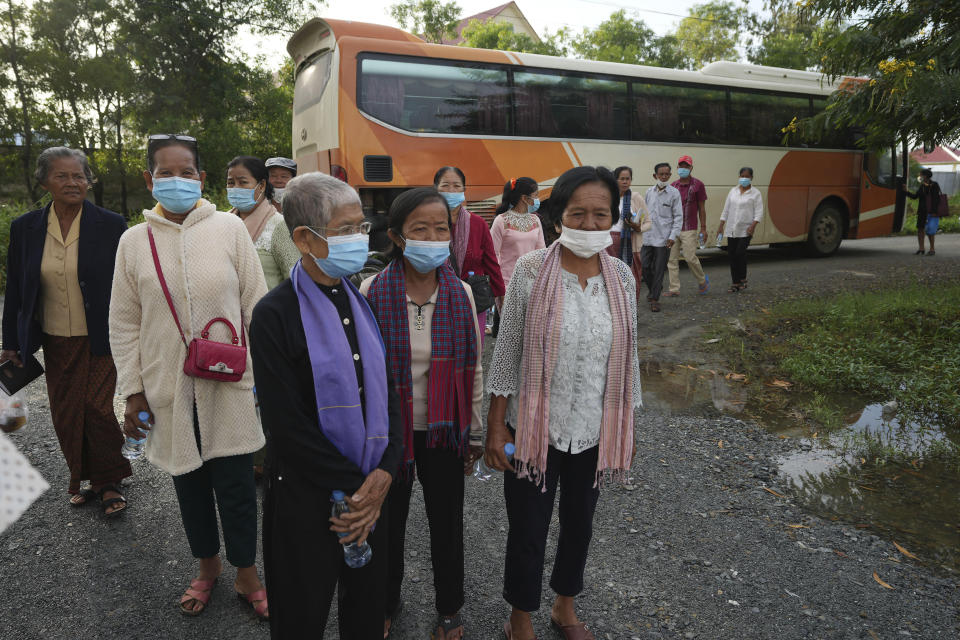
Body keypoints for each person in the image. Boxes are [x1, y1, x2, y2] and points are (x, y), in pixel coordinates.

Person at [109, 134, 269, 619]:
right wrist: (131, 391)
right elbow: (124, 320)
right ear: (149, 178)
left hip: (230, 386)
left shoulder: (228, 229)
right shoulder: (133, 242)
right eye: (165, 172)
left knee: (238, 485)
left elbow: (256, 306)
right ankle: (207, 567)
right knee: (189, 484)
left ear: (201, 178)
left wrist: (264, 380)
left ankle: (247, 572)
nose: (176, 180)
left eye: (186, 172)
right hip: (168, 387)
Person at [486, 166, 641, 640]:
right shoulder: (531, 272)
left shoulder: (620, 276)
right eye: (579, 213)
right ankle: (520, 617)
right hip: (535, 430)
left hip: (593, 430)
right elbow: (507, 351)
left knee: (580, 525)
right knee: (528, 531)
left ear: (613, 218)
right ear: (558, 218)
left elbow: (629, 354)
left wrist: (626, 426)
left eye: (601, 215)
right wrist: (496, 428)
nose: (591, 225)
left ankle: (564, 606)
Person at [249, 172, 403, 639]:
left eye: (362, 227)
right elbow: (284, 424)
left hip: (369, 490)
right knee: (301, 613)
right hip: (305, 493)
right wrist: (360, 490)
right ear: (304, 238)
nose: (361, 238)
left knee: (366, 610)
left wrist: (385, 472)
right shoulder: (274, 314)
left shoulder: (360, 297)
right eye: (347, 229)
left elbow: (389, 391)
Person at [360, 187, 484, 640]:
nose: (433, 237)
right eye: (420, 229)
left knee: (447, 525)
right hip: (391, 438)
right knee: (387, 528)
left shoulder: (463, 294)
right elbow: (364, 373)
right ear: (396, 235)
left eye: (441, 229)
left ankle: (449, 607)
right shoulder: (372, 291)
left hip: (443, 435)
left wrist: (472, 433)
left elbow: (473, 369)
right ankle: (385, 603)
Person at [1, 147, 131, 516]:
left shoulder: (111, 224)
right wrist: (10, 342)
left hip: (102, 335)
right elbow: (17, 290)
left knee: (96, 407)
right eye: (62, 176)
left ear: (89, 180)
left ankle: (109, 481)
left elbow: (128, 283)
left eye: (79, 176)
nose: (73, 182)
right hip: (55, 338)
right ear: (45, 182)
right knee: (66, 410)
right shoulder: (25, 227)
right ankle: (84, 478)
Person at [433, 166, 505, 333]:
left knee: (473, 351)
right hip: (436, 299)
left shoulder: (478, 224)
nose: (451, 191)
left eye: (457, 186)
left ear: (464, 190)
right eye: (445, 186)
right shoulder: (428, 222)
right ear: (435, 189)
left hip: (473, 299)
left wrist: (501, 295)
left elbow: (491, 262)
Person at [226, 156, 300, 290]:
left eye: (243, 182)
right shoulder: (223, 222)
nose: (236, 188)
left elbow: (296, 280)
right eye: (231, 182)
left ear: (262, 186)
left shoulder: (279, 225)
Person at [490, 177, 546, 297]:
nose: (537, 199)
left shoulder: (535, 220)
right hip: (507, 286)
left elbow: (541, 254)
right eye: (535, 195)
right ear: (524, 198)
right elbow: (492, 255)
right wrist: (500, 289)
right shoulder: (501, 221)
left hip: (532, 286)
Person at [641, 163, 682, 312]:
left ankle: (654, 299)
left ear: (670, 175)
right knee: (645, 266)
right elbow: (643, 213)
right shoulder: (648, 192)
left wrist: (673, 236)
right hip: (647, 237)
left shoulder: (674, 193)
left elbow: (678, 217)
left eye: (667, 174)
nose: (664, 177)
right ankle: (654, 289)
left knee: (659, 269)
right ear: (655, 176)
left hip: (664, 238)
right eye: (661, 174)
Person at [666, 155, 710, 296]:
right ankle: (674, 289)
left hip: (689, 227)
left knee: (690, 257)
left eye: (687, 166)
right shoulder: (673, 186)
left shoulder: (698, 185)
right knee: (671, 259)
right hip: (673, 228)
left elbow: (702, 208)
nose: (683, 169)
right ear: (677, 167)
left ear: (691, 168)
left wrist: (703, 228)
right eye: (681, 166)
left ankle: (702, 281)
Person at [717, 167, 763, 292]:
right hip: (732, 229)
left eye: (747, 176)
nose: (744, 179)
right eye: (742, 176)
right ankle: (735, 283)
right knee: (732, 255)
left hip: (746, 229)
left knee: (740, 253)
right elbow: (726, 210)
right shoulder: (733, 191)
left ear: (751, 178)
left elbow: (759, 212)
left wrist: (753, 226)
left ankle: (742, 278)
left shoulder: (756, 193)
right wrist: (721, 226)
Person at [609, 166, 644, 297]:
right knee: (611, 279)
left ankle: (631, 310)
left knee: (631, 278)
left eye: (627, 179)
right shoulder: (609, 198)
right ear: (615, 180)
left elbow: (648, 222)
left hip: (630, 243)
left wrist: (637, 227)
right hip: (608, 243)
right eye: (621, 179)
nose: (625, 182)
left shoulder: (636, 198)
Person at [902, 168, 942, 256]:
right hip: (922, 211)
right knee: (920, 229)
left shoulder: (935, 185)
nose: (919, 176)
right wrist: (906, 191)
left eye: (921, 175)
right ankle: (921, 248)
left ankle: (932, 249)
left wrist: (933, 211)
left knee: (930, 231)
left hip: (931, 212)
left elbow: (936, 199)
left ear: (925, 176)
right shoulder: (922, 186)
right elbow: (915, 196)